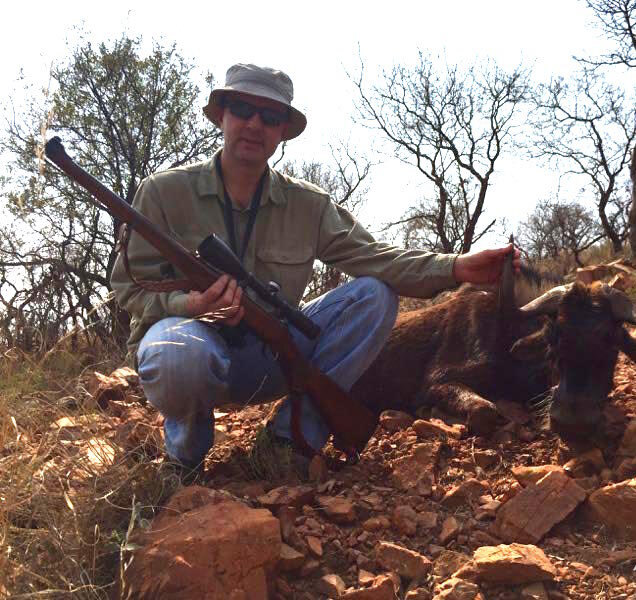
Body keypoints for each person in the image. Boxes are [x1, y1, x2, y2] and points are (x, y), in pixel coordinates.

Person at [110, 63, 520, 474]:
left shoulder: (308, 203)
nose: (255, 124)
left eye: (270, 116)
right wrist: (190, 304)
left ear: (283, 130)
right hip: (195, 348)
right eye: (242, 109)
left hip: (271, 354)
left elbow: (378, 258)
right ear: (221, 115)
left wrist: (458, 267)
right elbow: (129, 287)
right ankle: (185, 459)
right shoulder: (162, 192)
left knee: (374, 296)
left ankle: (290, 442)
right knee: (176, 354)